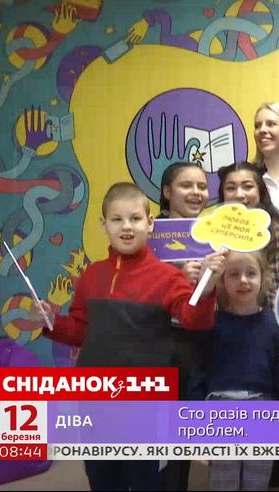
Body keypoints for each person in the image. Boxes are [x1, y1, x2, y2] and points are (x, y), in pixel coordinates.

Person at [31, 182, 222, 491]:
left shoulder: (167, 277)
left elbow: (194, 321)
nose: (126, 227)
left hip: (147, 405)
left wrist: (208, 289)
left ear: (150, 222)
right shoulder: (91, 276)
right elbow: (81, 331)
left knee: (149, 481)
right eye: (117, 219)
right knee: (103, 479)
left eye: (135, 218)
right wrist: (52, 322)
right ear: (103, 224)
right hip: (95, 401)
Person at [190, 250, 279, 491]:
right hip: (219, 411)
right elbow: (198, 374)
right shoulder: (211, 323)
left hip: (262, 411)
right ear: (222, 281)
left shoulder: (274, 325)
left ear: (263, 278)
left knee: (257, 482)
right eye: (234, 274)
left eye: (250, 273)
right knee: (223, 482)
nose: (243, 280)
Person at [157, 161, 223, 491]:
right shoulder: (149, 234)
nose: (196, 193)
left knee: (188, 424)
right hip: (159, 341)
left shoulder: (216, 236)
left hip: (201, 340)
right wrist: (177, 278)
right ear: (167, 192)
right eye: (187, 185)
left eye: (202, 186)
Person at [217, 161, 279, 304]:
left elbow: (276, 288)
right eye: (231, 188)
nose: (239, 195)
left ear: (260, 191)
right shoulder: (214, 230)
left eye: (247, 187)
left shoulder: (277, 229)